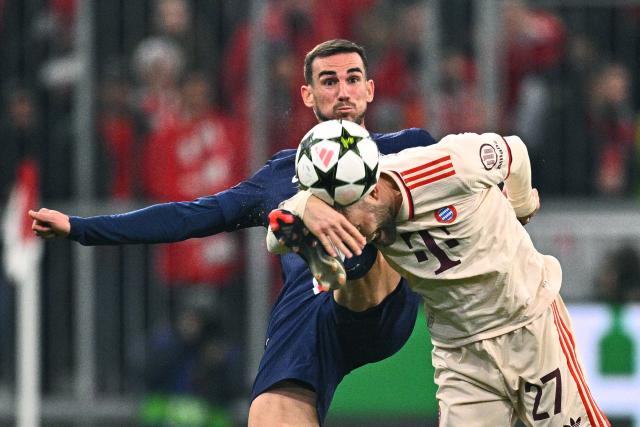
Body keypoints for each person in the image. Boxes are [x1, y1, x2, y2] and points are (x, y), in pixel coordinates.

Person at [28, 39, 437, 426]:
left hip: (383, 298)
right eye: (329, 81)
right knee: (268, 413)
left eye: (352, 78)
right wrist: (80, 228)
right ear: (307, 95)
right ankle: (319, 251)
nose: (343, 90)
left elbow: (478, 192)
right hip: (308, 311)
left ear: (369, 89)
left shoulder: (411, 148)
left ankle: (334, 246)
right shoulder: (281, 174)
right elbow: (189, 216)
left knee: (379, 202)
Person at [270, 130, 611, 426]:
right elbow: (276, 236)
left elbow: (515, 152)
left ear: (373, 192)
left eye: (347, 217)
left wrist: (520, 206)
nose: (346, 230)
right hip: (461, 356)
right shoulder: (341, 197)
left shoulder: (450, 164)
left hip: (528, 325)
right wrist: (303, 214)